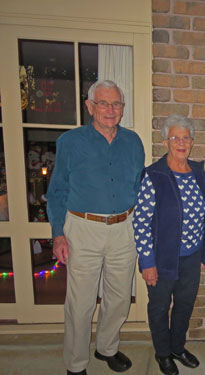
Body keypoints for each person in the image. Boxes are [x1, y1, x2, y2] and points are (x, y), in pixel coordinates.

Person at [46, 80, 145, 375]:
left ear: (123, 108)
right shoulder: (70, 142)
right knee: (81, 302)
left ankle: (107, 348)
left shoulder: (133, 142)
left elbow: (138, 185)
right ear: (89, 106)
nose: (110, 110)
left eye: (116, 104)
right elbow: (57, 191)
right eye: (103, 103)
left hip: (124, 227)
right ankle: (76, 364)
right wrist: (57, 234)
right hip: (83, 228)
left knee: (118, 298)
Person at [133, 114, 205, 375]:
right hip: (163, 258)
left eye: (185, 137)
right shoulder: (154, 175)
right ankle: (163, 353)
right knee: (159, 306)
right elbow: (141, 222)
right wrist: (147, 262)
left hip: (191, 256)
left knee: (185, 305)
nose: (181, 142)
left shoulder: (199, 173)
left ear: (192, 142)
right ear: (165, 141)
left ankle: (178, 347)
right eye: (175, 137)